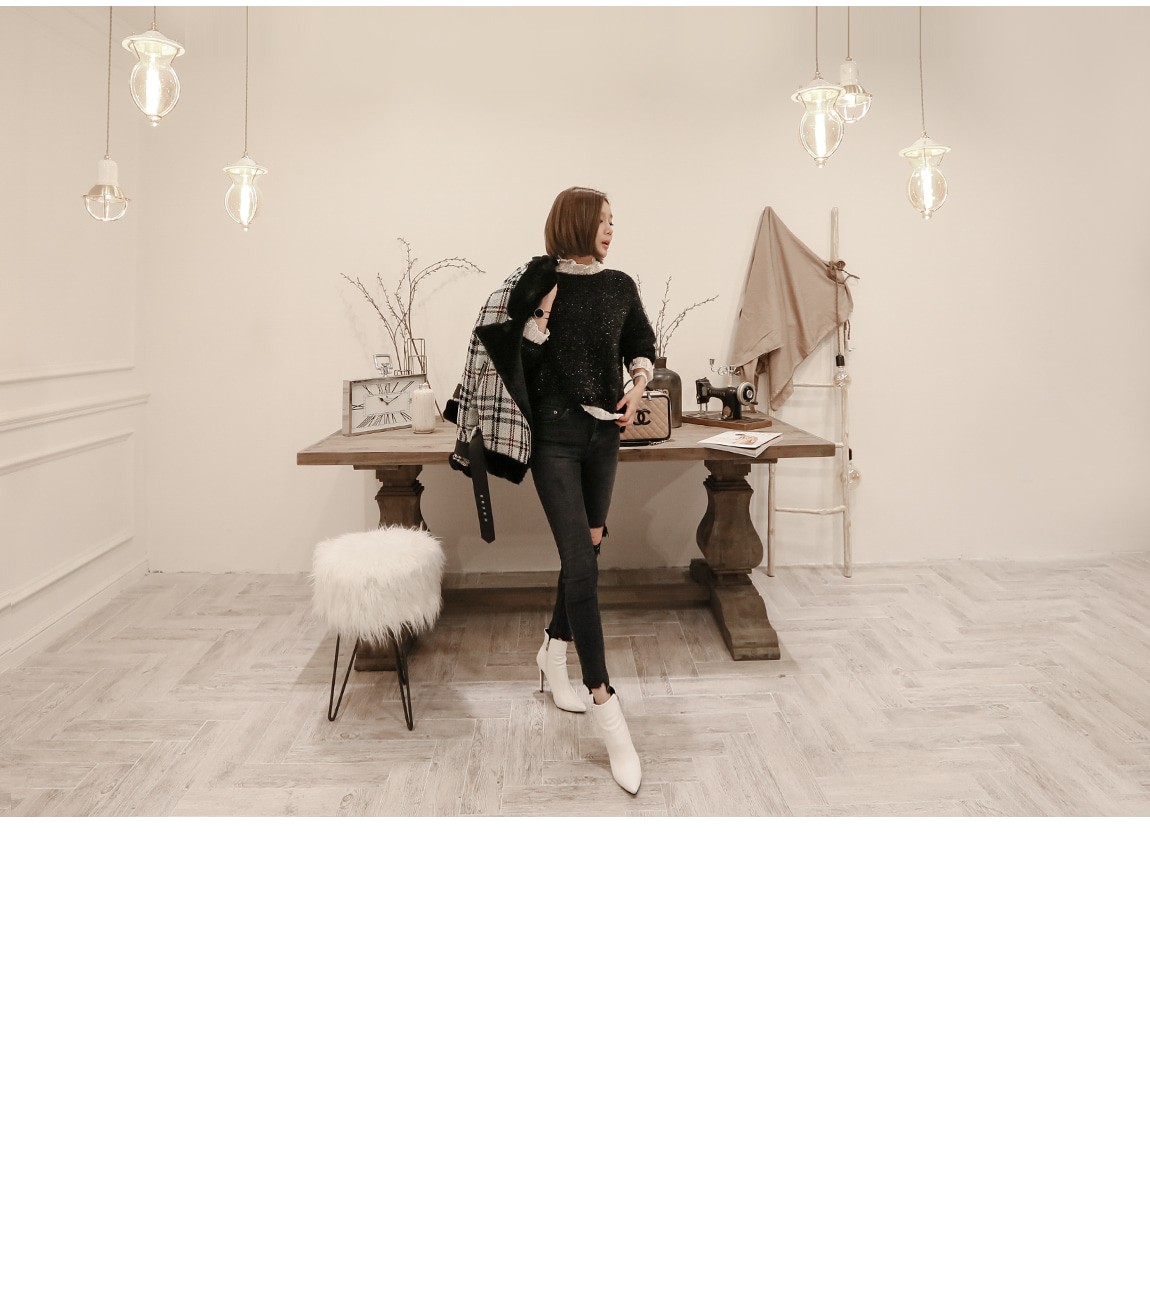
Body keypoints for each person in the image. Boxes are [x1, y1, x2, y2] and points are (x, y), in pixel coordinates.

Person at [519, 186, 657, 795]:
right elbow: (513, 366)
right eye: (601, 221)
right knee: (580, 563)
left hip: (604, 437)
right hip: (553, 438)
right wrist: (540, 317)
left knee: (591, 546)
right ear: (574, 224)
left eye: (613, 221)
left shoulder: (619, 285)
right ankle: (605, 703)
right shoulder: (538, 282)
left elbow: (640, 345)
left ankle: (552, 650)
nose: (610, 230)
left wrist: (639, 383)